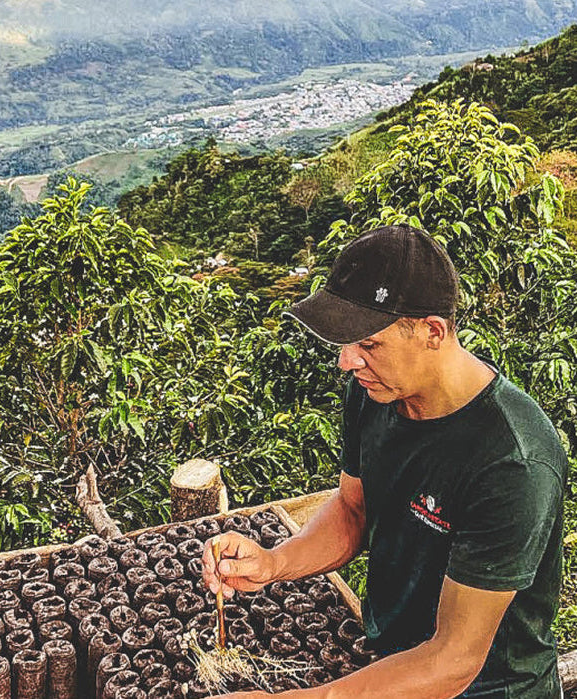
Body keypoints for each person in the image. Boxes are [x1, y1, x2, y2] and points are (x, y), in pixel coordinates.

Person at [202, 225, 566, 698]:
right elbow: (354, 511)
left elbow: (454, 660)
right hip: (391, 664)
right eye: (346, 342)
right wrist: (274, 562)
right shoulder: (375, 392)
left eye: (369, 344)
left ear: (432, 332)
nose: (347, 361)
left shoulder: (513, 462)